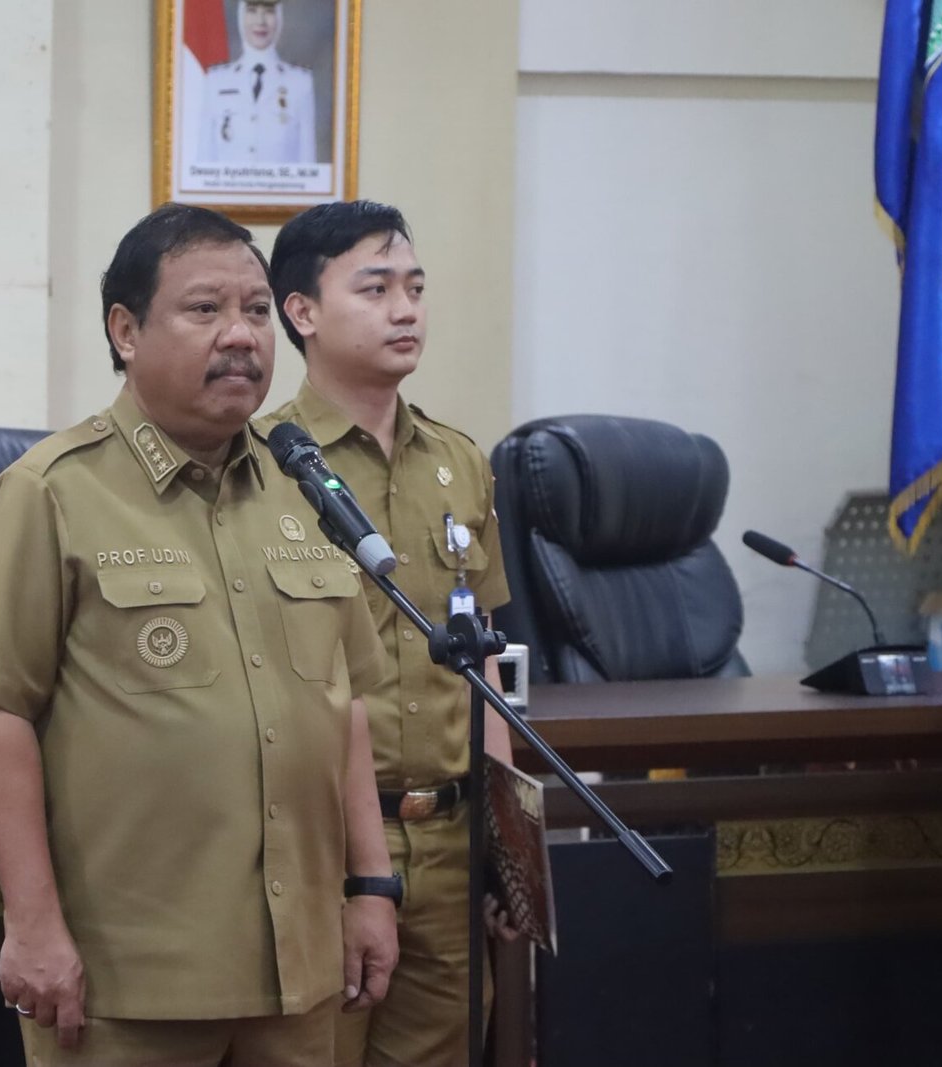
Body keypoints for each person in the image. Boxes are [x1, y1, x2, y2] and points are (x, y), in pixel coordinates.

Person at [0, 203, 399, 1066]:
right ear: (125, 330)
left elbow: (348, 704)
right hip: (129, 981)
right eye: (204, 309)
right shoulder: (52, 493)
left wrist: (371, 885)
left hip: (299, 968)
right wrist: (31, 926)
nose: (241, 335)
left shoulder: (305, 488)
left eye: (256, 311)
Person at [264, 199, 520, 1067]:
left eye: (414, 287)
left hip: (449, 839)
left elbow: (485, 658)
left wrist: (505, 841)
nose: (405, 309)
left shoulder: (458, 460)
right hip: (318, 845)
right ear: (302, 311)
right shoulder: (263, 463)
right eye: (375, 289)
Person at [198, 0, 317, 165]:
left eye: (269, 11)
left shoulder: (300, 82)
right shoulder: (217, 80)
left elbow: (307, 163)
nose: (260, 21)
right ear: (241, 15)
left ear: (279, 16)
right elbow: (205, 160)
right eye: (252, 10)